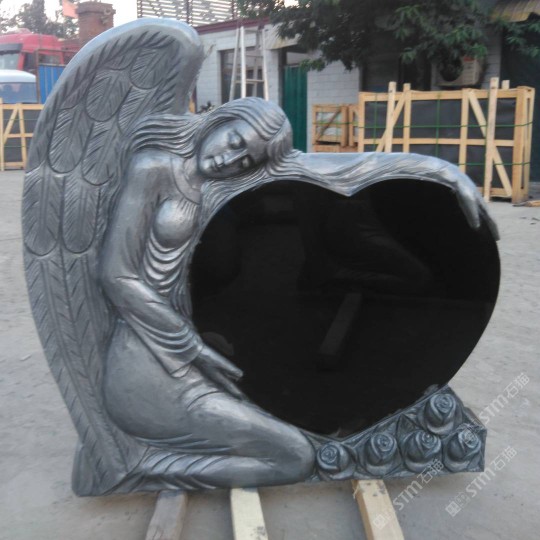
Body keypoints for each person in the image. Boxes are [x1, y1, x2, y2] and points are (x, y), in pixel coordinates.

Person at [99, 97, 316, 488]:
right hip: (146, 360)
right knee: (295, 457)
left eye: (245, 161)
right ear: (222, 120)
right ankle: (132, 469)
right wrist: (192, 347)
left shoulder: (219, 188)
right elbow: (116, 275)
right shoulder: (153, 168)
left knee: (291, 442)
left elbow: (331, 170)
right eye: (234, 141)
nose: (229, 160)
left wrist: (444, 172)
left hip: (182, 351)